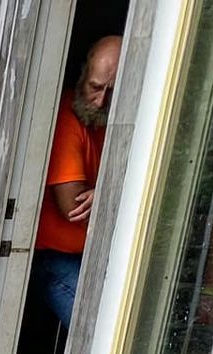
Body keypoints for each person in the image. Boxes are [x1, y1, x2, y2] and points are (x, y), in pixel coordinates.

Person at [34, 36, 122, 329]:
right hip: (53, 258)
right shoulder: (66, 117)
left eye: (112, 92)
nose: (101, 101)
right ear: (83, 74)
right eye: (96, 88)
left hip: (98, 256)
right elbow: (73, 206)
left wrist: (106, 193)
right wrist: (111, 193)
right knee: (101, 332)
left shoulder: (109, 121)